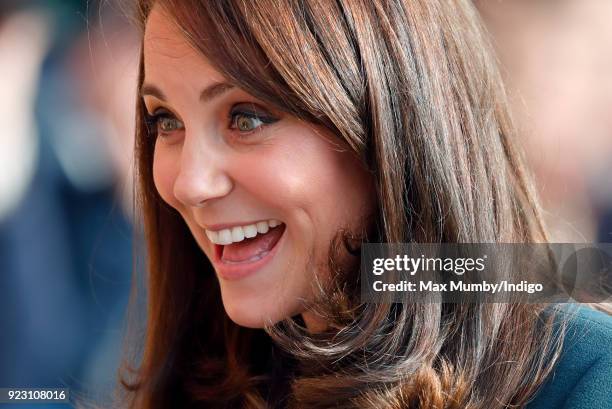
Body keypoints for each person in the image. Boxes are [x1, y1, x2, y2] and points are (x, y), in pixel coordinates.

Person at [120, 1, 612, 408]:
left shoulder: (582, 374)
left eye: (246, 118)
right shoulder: (210, 372)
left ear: (390, 121)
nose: (189, 183)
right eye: (166, 120)